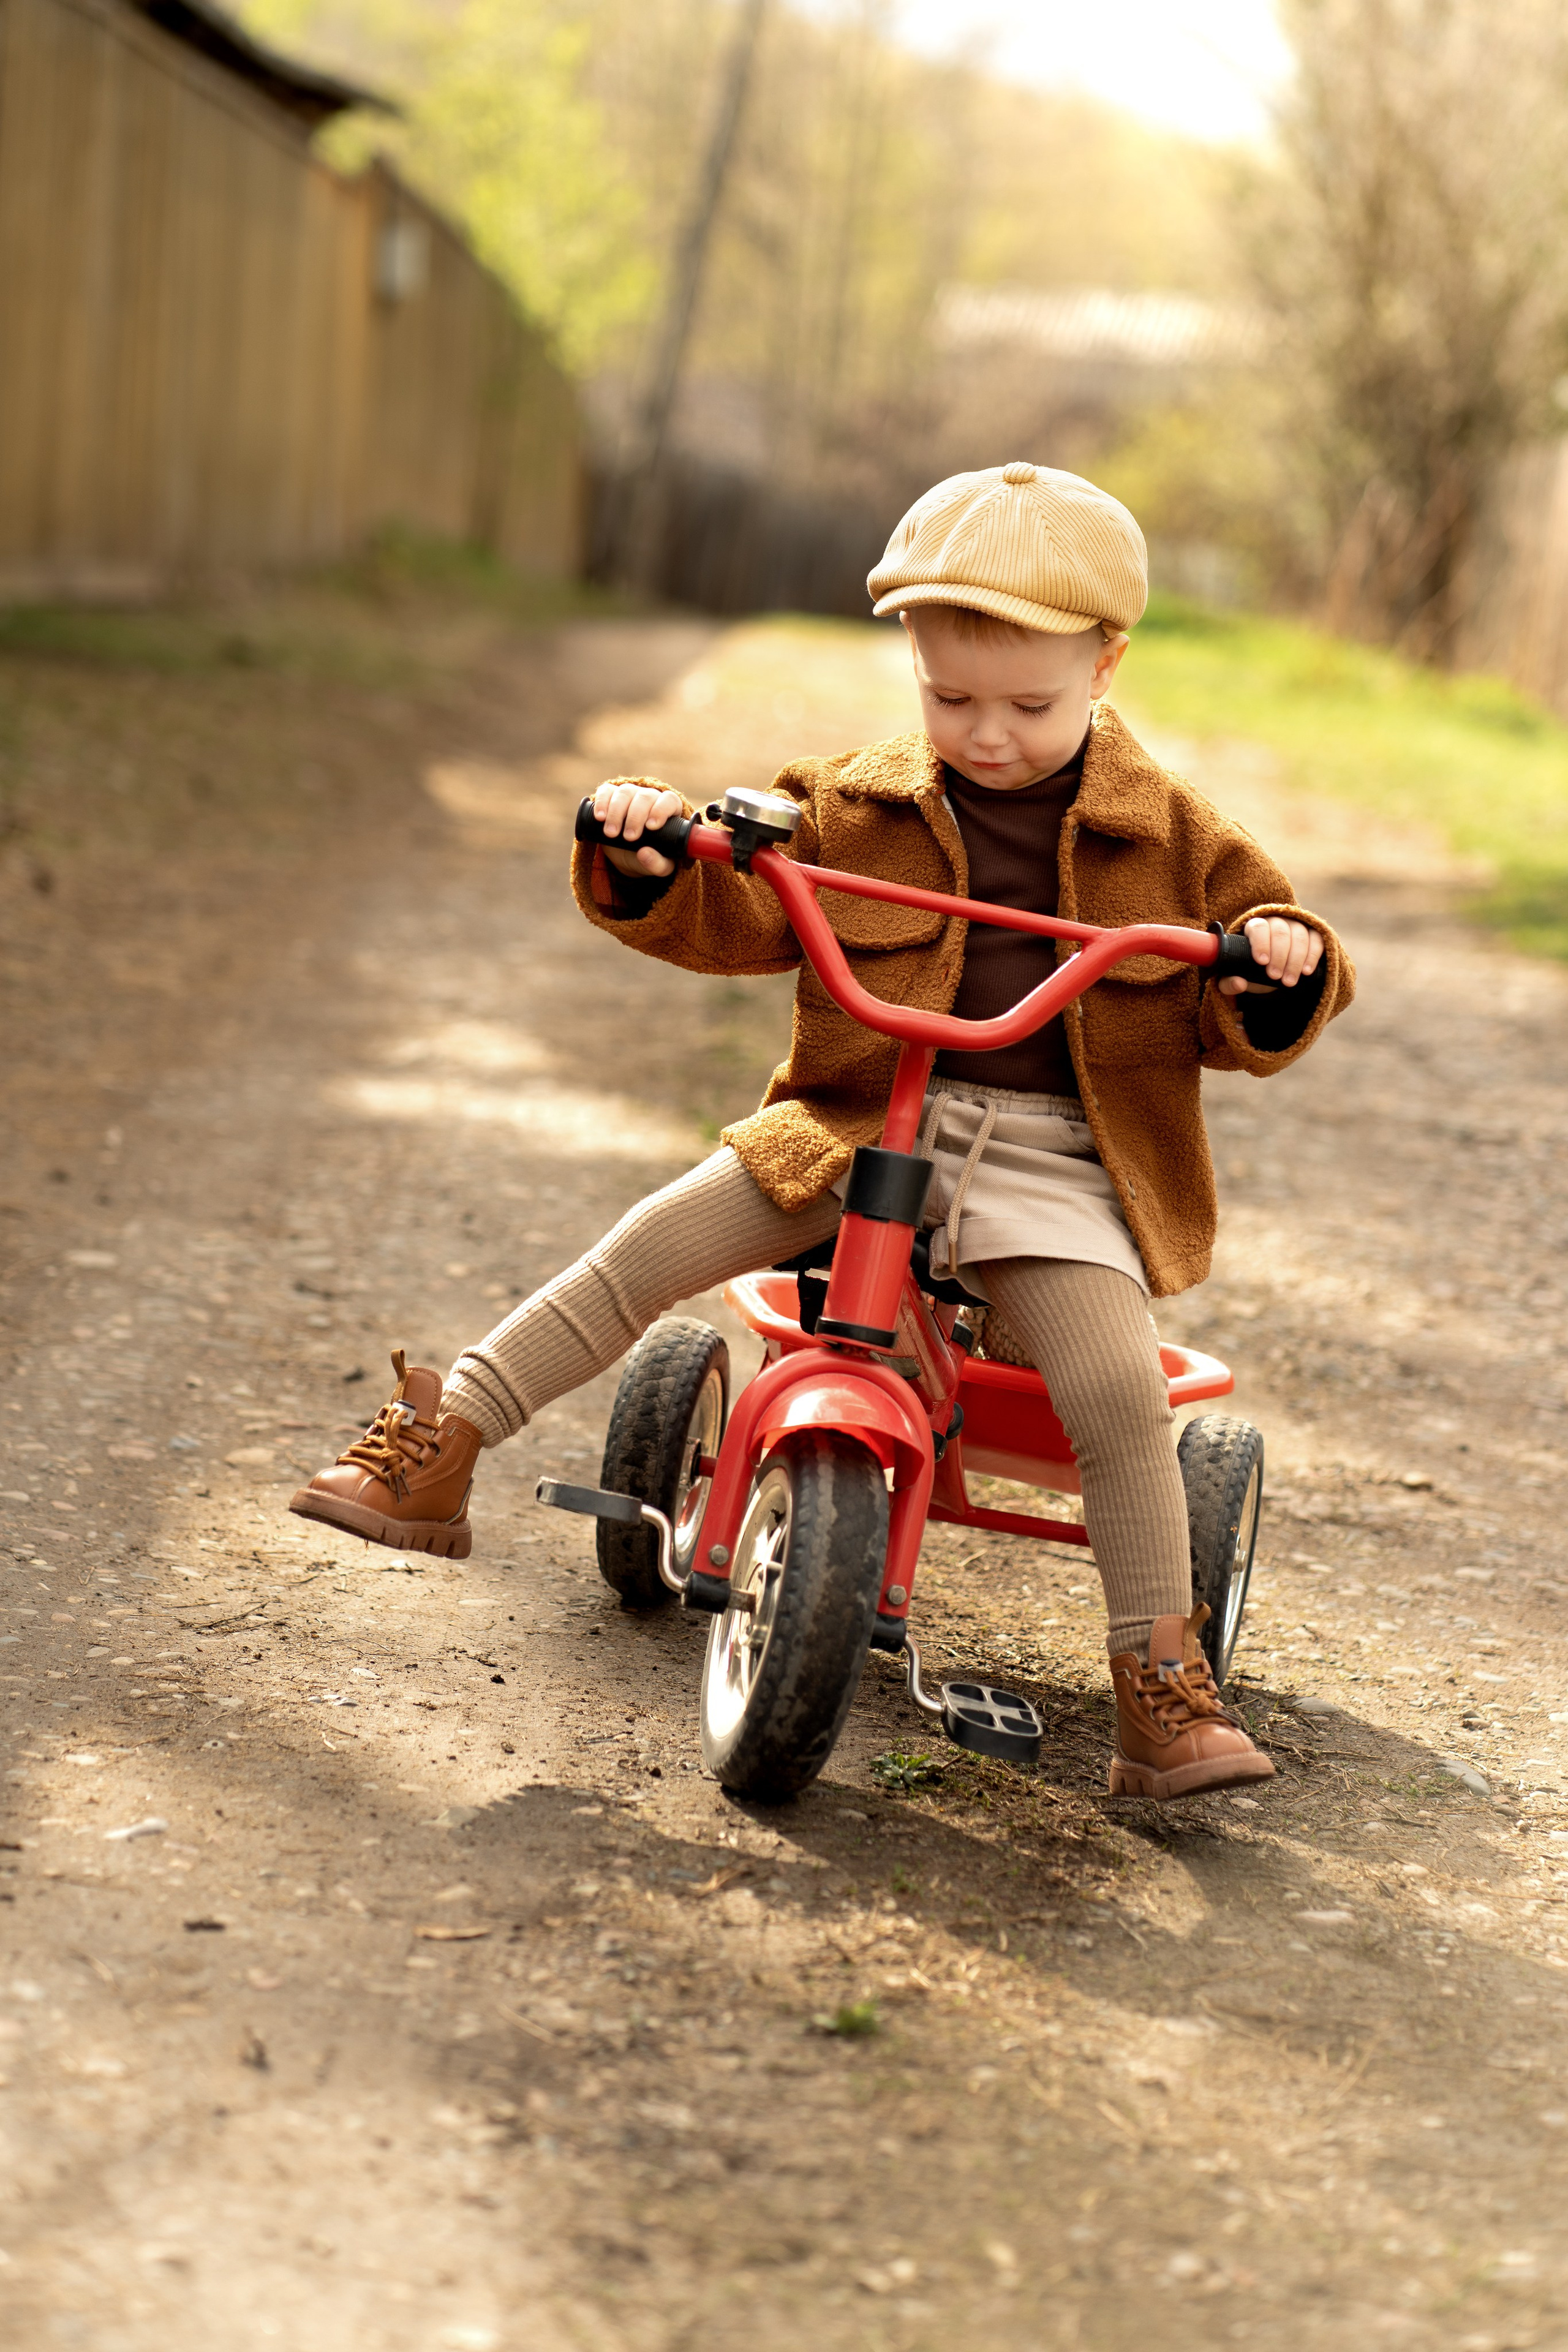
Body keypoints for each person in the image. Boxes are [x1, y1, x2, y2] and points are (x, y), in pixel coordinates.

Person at [290, 461, 1354, 1800]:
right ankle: (438, 1450)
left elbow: (1273, 973)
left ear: (1106, 665)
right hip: (853, 1129)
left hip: (1052, 1166)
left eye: (1027, 703)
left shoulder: (1179, 841)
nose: (985, 733)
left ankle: (1158, 1681)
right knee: (647, 1248)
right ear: (910, 663)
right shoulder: (855, 803)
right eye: (948, 696)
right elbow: (735, 898)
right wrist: (647, 850)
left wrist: (1273, 962)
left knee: (1116, 1394)